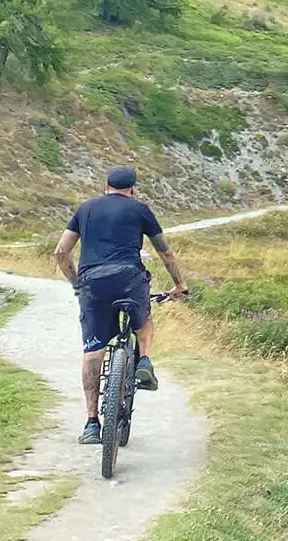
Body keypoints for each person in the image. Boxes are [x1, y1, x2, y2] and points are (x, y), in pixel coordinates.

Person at [52, 166, 189, 444]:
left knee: (93, 351)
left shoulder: (85, 209)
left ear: (106, 186)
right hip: (129, 278)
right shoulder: (140, 209)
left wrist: (77, 284)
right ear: (133, 189)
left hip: (93, 283)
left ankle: (92, 423)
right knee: (144, 321)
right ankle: (145, 361)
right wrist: (179, 284)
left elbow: (60, 252)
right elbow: (166, 251)